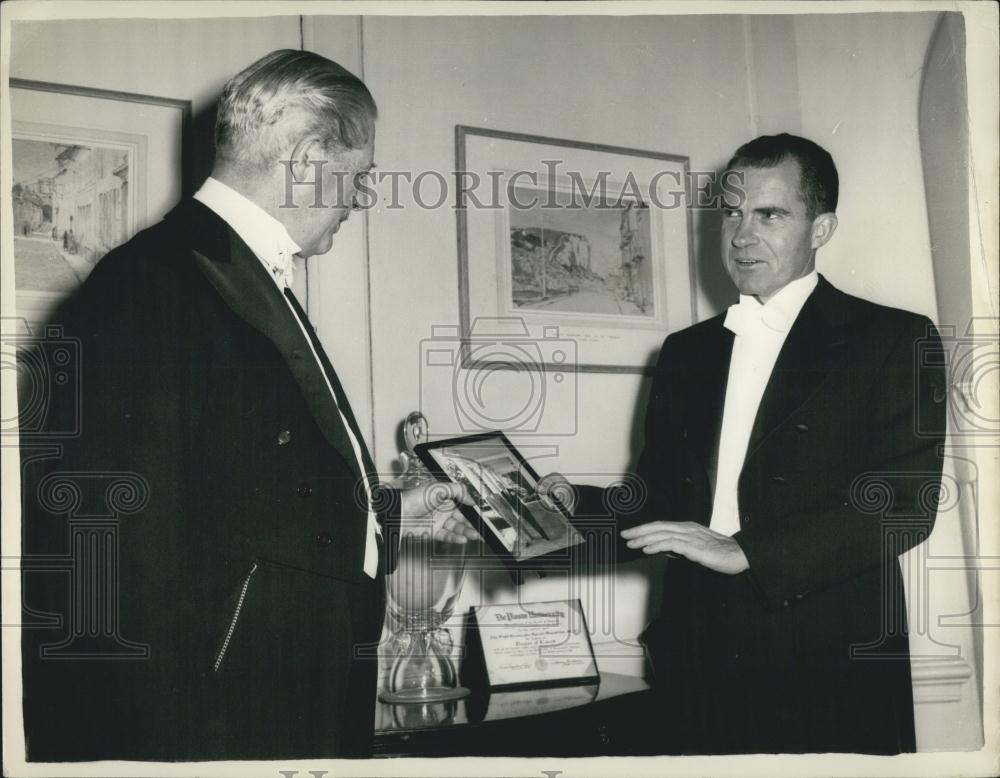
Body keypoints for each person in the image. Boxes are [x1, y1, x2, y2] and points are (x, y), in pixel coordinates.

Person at [19, 49, 476, 762]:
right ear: (308, 158)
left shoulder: (229, 275)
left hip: (279, 710)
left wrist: (387, 511)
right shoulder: (148, 286)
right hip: (223, 729)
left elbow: (237, 505)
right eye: (360, 176)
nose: (360, 200)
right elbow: (116, 571)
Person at [576, 133, 947, 754]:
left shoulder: (894, 337)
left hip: (826, 656)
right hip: (696, 648)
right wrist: (553, 506)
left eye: (770, 214)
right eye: (732, 212)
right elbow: (654, 503)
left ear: (821, 227)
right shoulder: (685, 352)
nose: (742, 235)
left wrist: (747, 552)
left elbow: (903, 504)